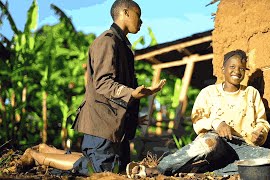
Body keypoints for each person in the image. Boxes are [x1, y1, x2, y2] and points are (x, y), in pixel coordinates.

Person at [19, 0, 166, 176]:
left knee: (108, 164)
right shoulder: (107, 42)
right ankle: (37, 156)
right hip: (102, 119)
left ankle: (45, 149)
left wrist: (133, 117)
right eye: (138, 15)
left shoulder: (123, 46)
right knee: (97, 168)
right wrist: (132, 93)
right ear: (125, 13)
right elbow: (103, 82)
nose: (141, 21)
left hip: (114, 124)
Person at [127, 49, 270, 178]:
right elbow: (197, 119)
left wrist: (259, 133)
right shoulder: (209, 92)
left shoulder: (251, 93)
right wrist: (217, 123)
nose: (237, 71)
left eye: (242, 68)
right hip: (216, 141)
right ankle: (158, 169)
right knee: (208, 144)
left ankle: (213, 171)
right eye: (232, 66)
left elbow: (262, 122)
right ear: (223, 68)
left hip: (243, 146)